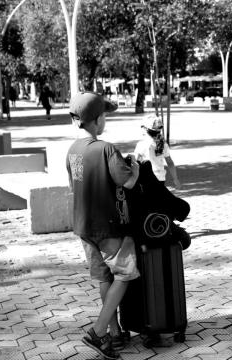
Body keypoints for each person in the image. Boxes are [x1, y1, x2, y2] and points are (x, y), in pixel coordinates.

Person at [66, 92, 141, 359]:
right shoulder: (106, 148)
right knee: (124, 274)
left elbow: (73, 185)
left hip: (83, 227)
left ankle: (115, 333)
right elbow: (128, 182)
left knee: (103, 277)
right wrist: (135, 169)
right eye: (105, 115)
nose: (106, 120)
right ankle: (98, 332)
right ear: (97, 120)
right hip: (108, 226)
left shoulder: (72, 151)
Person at [134, 114, 182, 189]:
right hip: (160, 178)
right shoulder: (163, 144)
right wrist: (175, 179)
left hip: (146, 179)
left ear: (145, 129)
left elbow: (136, 163)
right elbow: (170, 162)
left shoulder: (141, 145)